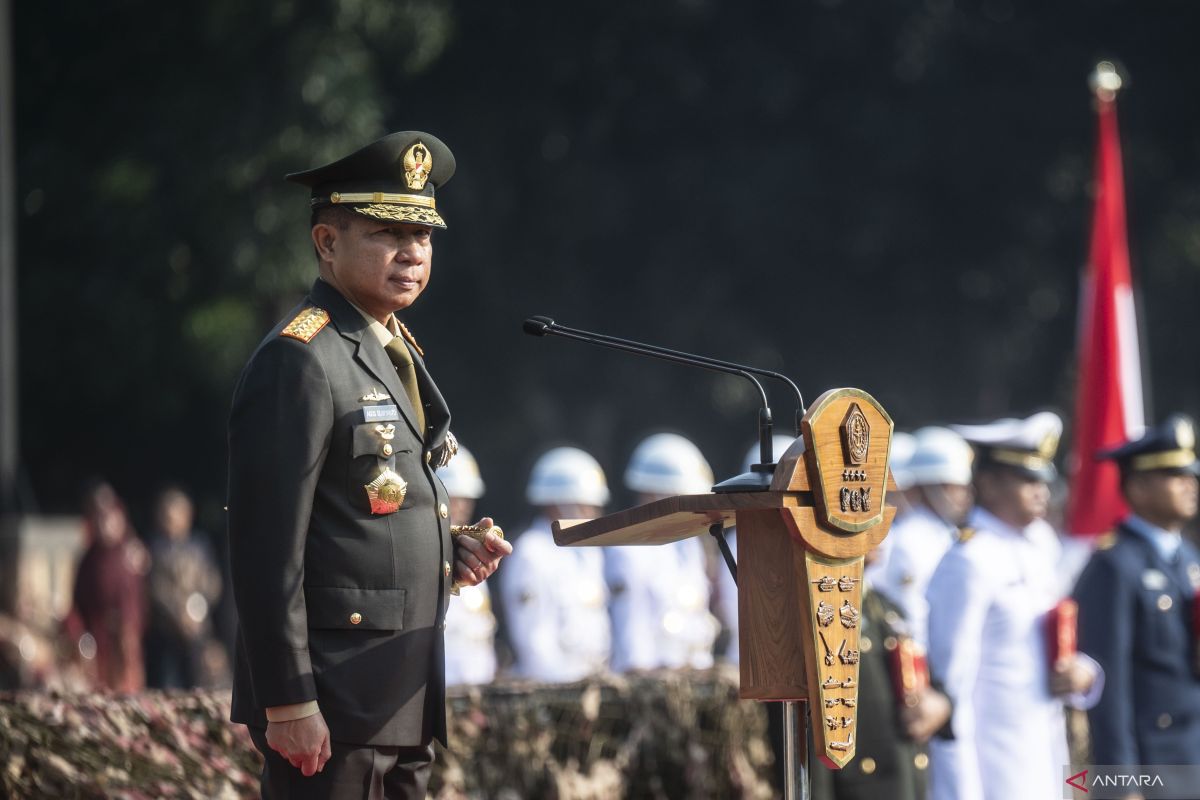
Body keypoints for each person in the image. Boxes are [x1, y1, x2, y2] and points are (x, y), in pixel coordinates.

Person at [226, 130, 512, 799]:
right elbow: (267, 552)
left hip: (399, 693)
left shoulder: (389, 347)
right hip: (331, 701)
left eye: (425, 236)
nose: (412, 253)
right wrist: (289, 700)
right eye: (387, 233)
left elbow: (358, 515)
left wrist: (451, 546)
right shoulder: (300, 359)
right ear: (327, 242)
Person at [924, 412, 1102, 800]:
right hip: (993, 770)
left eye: (1044, 480)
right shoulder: (969, 560)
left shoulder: (1040, 546)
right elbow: (950, 690)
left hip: (1045, 754)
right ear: (987, 483)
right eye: (1027, 479)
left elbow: (1056, 641)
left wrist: (1083, 673)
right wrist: (959, 792)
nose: (1042, 491)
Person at [1073, 414, 1200, 765]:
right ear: (1138, 488)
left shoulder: (1188, 558)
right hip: (1150, 760)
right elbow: (1108, 681)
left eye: (1191, 474)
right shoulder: (1114, 565)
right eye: (1175, 476)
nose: (1190, 484)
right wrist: (1121, 781)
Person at [605, 433, 720, 672]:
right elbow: (631, 624)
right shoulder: (629, 548)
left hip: (691, 676)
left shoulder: (689, 545)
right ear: (658, 495)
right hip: (650, 684)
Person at [500, 446, 611, 681]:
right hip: (555, 688)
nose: (593, 512)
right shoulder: (532, 553)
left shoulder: (589, 553)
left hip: (593, 679)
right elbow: (533, 638)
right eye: (586, 505)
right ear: (560, 503)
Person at [875, 427, 974, 645]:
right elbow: (912, 615)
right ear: (932, 487)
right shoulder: (910, 540)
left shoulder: (946, 533)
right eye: (955, 488)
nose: (964, 496)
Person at [65, 481, 148, 692]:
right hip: (96, 642)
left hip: (125, 642)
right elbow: (77, 604)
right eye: (98, 517)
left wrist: (128, 630)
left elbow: (136, 602)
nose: (105, 524)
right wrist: (79, 635)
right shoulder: (87, 560)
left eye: (109, 516)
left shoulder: (131, 554)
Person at [145, 486, 224, 689]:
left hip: (197, 630)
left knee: (199, 681)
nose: (171, 521)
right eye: (166, 516)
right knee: (168, 684)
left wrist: (198, 610)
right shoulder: (155, 548)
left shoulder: (200, 546)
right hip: (167, 630)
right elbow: (156, 589)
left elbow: (211, 582)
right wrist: (177, 615)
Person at [436, 444, 498, 686]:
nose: (462, 506)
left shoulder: (471, 549)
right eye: (454, 497)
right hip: (443, 690)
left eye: (467, 498)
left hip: (477, 689)